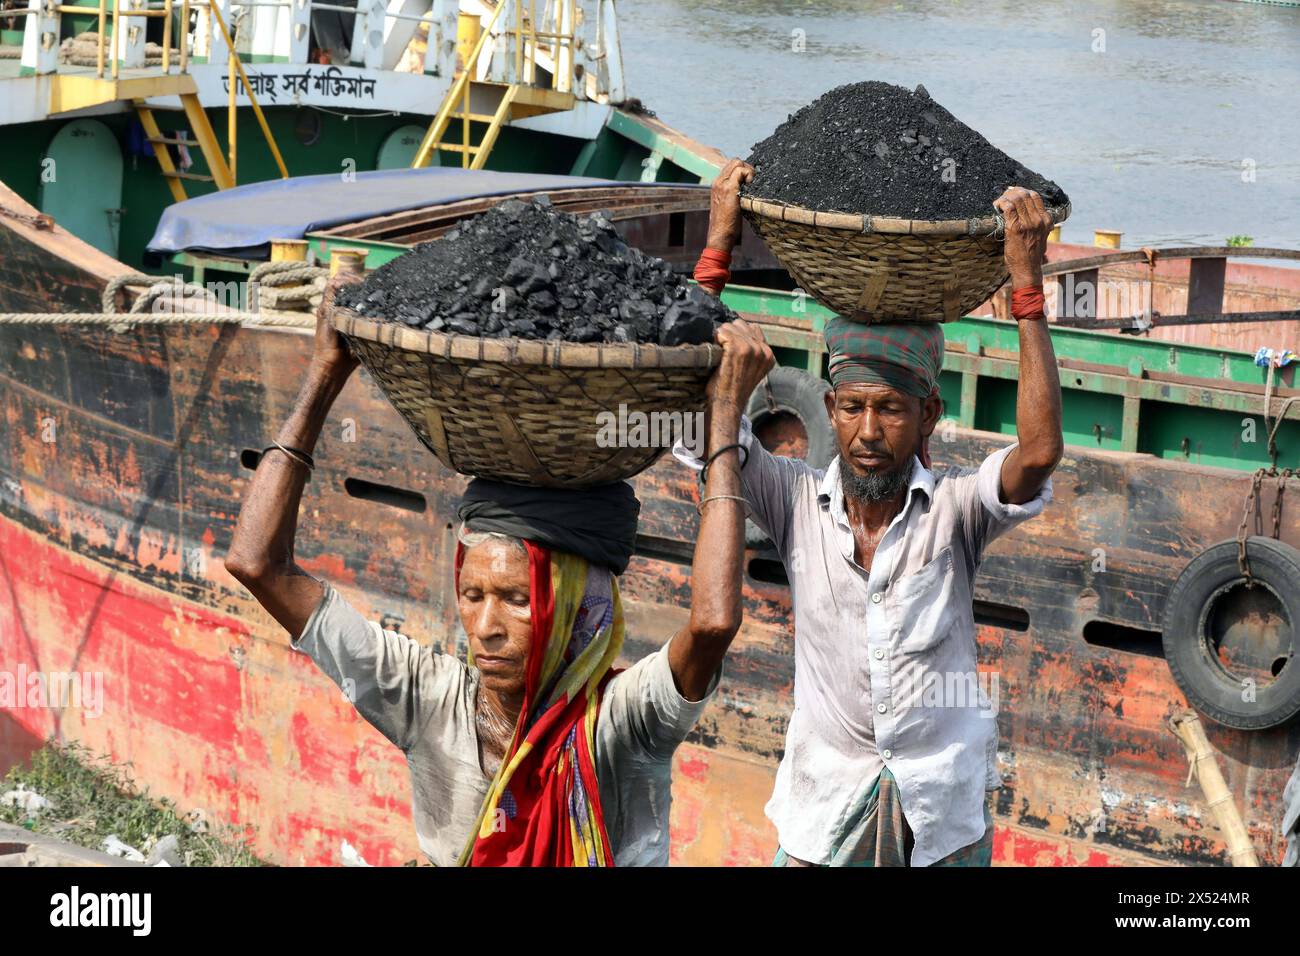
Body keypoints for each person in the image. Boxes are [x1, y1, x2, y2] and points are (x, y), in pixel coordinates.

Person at [223, 273, 774, 866]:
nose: (484, 625)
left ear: (577, 612)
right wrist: (325, 373)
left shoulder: (622, 721)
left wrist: (723, 422)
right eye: (472, 594)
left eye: (515, 598)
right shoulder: (427, 699)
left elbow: (713, 625)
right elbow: (257, 565)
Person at [678, 158, 1064, 867]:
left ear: (929, 418)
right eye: (852, 407)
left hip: (940, 814)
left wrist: (1026, 287)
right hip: (825, 808)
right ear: (828, 409)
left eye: (890, 409)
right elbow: (697, 429)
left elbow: (1037, 453)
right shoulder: (794, 499)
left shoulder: (954, 510)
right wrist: (717, 249)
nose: (866, 432)